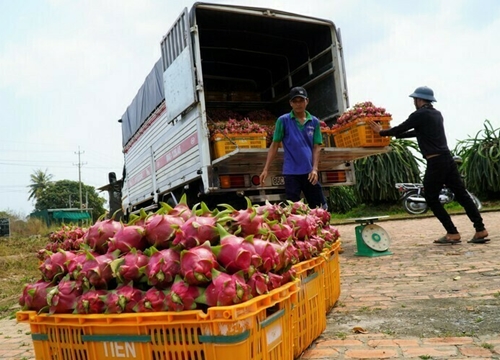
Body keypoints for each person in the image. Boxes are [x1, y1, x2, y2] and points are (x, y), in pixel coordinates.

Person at [369, 86, 489, 244]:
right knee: (462, 195)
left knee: (431, 197)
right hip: (448, 159)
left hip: (436, 162)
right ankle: (480, 229)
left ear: (418, 100)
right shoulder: (436, 114)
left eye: (414, 100)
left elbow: (403, 127)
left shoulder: (419, 114)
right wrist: (397, 135)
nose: (414, 102)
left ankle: (452, 233)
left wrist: (382, 132)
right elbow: (417, 132)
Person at [260, 86, 327, 209]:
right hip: (291, 173)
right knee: (294, 211)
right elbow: (274, 145)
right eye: (295, 101)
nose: (298, 104)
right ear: (290, 103)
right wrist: (266, 169)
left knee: (320, 208)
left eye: (301, 100)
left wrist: (315, 169)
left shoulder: (314, 122)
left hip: (309, 173)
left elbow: (316, 147)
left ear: (307, 101)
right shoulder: (283, 120)